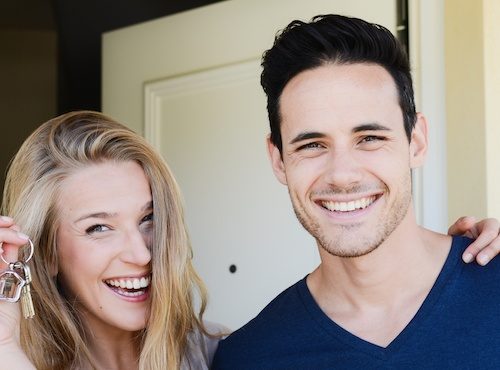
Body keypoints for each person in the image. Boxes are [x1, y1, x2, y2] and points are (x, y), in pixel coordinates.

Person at [212, 14, 500, 369]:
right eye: (313, 145)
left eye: (369, 138)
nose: (342, 175)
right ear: (278, 160)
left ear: (417, 141)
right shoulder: (248, 358)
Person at [0, 111, 224, 370]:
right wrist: (4, 346)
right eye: (99, 228)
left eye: (148, 218)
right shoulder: (14, 360)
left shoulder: (220, 355)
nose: (142, 255)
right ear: (46, 253)